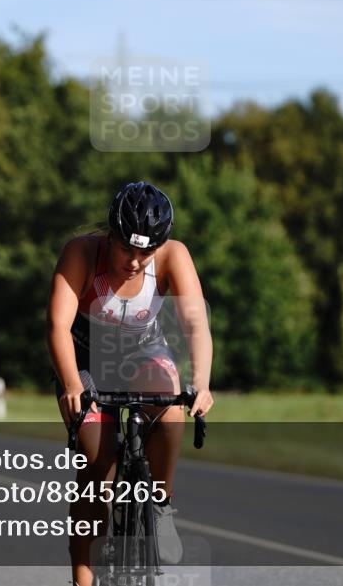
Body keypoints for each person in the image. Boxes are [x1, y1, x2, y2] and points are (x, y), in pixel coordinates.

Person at [46, 181, 214, 586]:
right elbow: (57, 325)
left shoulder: (174, 256)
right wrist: (71, 384)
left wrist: (202, 382)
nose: (136, 262)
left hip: (142, 352)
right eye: (127, 249)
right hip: (86, 357)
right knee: (95, 464)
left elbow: (195, 323)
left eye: (146, 252)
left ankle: (160, 504)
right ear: (110, 237)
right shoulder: (81, 252)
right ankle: (83, 579)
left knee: (170, 402)